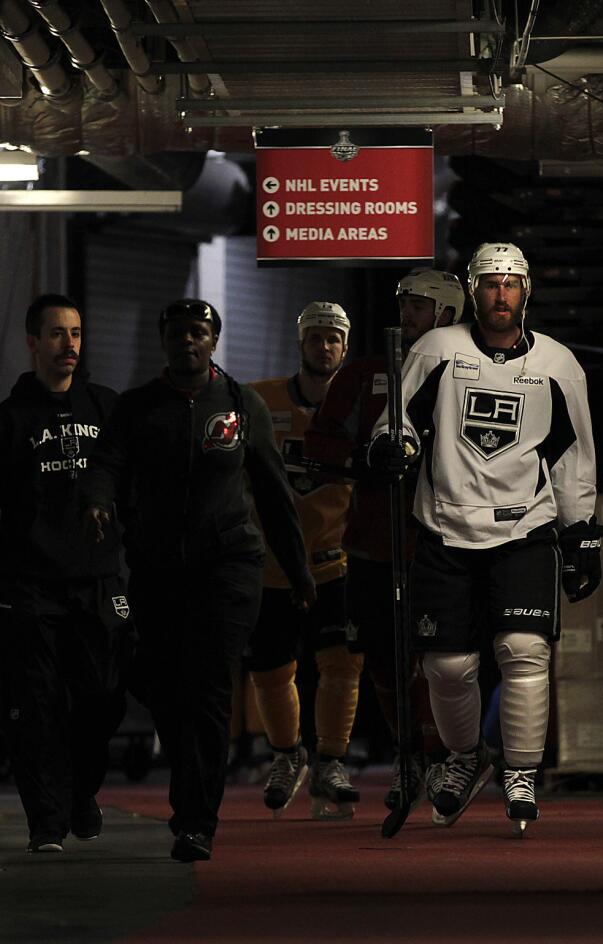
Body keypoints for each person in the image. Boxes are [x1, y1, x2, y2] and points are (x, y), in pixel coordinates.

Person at [368, 243, 602, 829]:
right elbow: (393, 422)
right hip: (445, 527)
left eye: (511, 284)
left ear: (527, 292)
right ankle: (466, 756)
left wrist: (581, 533)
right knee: (447, 667)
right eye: (490, 283)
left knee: (523, 652)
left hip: (525, 527)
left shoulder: (557, 364)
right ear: (473, 292)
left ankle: (520, 772)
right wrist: (391, 447)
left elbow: (574, 456)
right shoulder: (434, 350)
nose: (501, 294)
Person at [81, 298, 314, 863]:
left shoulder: (240, 405)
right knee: (162, 687)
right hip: (158, 571)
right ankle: (190, 790)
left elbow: (275, 496)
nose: (188, 341)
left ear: (213, 342)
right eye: (178, 333)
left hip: (228, 568)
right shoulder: (139, 408)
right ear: (165, 341)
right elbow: (106, 465)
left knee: (209, 690)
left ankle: (195, 821)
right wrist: (96, 502)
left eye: (198, 333)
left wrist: (299, 570)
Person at [0, 292, 129, 854]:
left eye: (76, 333)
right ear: (33, 342)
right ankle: (46, 822)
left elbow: (137, 486)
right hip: (29, 584)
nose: (69, 344)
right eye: (56, 334)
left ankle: (82, 792)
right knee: (35, 705)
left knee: (102, 697)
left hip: (99, 580)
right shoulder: (9, 420)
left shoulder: (107, 408)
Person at [305, 268, 464, 813]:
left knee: (438, 657)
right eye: (404, 303)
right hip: (374, 541)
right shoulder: (367, 373)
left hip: (444, 542)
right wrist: (361, 459)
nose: (407, 314)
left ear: (447, 313)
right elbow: (322, 442)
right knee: (381, 658)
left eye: (419, 305)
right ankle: (410, 757)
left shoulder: (467, 371)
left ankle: (445, 758)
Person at [247, 301, 361, 820]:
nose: (325, 346)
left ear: (345, 345)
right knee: (271, 669)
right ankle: (288, 753)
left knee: (341, 663)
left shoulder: (360, 407)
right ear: (301, 344)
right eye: (316, 337)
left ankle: (331, 761)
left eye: (333, 337)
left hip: (334, 559)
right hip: (272, 561)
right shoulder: (259, 400)